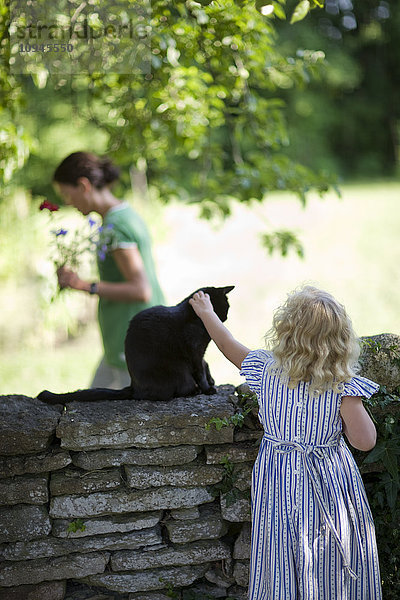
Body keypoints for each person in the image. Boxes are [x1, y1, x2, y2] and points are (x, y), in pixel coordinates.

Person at [189, 285, 382, 599]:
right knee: (328, 550)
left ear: (286, 332)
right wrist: (353, 400)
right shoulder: (342, 386)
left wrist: (207, 313)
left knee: (280, 549)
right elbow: (364, 442)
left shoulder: (265, 371)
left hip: (278, 479)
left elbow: (227, 344)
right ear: (341, 341)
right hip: (328, 482)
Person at [53, 151, 165, 388]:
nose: (67, 202)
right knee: (88, 408)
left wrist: (82, 285)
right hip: (129, 337)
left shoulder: (116, 227)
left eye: (66, 194)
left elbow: (140, 289)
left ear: (83, 185)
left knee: (111, 415)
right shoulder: (124, 215)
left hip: (136, 340)